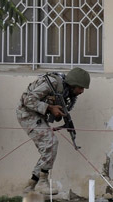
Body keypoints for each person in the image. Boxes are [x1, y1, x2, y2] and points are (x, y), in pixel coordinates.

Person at [17, 67, 90, 195]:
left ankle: (31, 186)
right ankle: (42, 182)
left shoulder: (67, 93)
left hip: (39, 115)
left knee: (48, 148)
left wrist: (57, 113)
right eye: (80, 88)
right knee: (51, 143)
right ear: (73, 84)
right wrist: (50, 108)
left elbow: (56, 110)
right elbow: (27, 100)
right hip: (27, 114)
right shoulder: (53, 83)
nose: (82, 91)